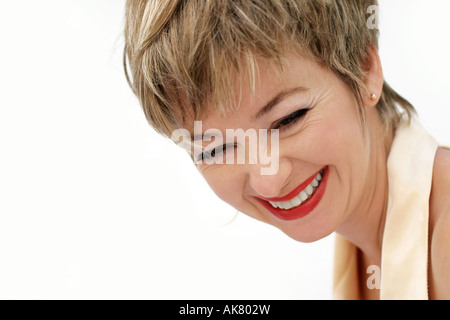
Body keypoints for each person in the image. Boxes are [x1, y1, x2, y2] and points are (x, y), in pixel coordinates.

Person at [122, 0, 450, 299]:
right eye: (217, 149)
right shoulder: (364, 246)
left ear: (366, 69)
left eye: (288, 119)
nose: (269, 181)